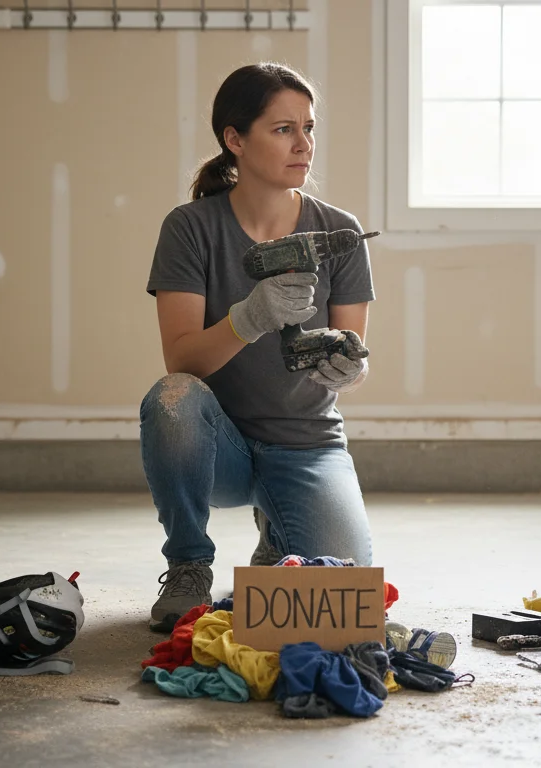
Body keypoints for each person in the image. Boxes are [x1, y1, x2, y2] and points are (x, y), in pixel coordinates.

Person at [140, 62, 376, 632]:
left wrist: (347, 367)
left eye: (310, 128)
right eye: (283, 129)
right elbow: (183, 362)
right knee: (172, 399)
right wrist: (250, 317)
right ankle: (190, 564)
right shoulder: (190, 228)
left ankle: (277, 536)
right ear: (234, 140)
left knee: (341, 594)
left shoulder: (339, 232)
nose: (304, 144)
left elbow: (353, 347)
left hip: (306, 442)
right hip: (222, 445)